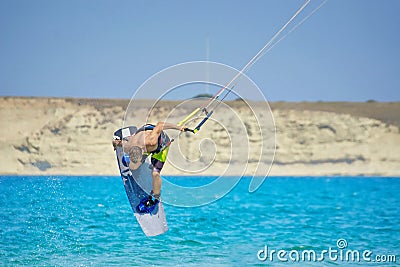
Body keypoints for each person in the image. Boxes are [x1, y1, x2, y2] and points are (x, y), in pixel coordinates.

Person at [113, 122, 185, 208]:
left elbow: (160, 125)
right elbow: (116, 141)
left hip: (161, 145)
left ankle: (156, 197)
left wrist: (179, 127)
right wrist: (115, 144)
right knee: (133, 167)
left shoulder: (152, 141)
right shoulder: (128, 145)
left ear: (143, 152)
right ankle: (136, 163)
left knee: (155, 174)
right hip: (141, 141)